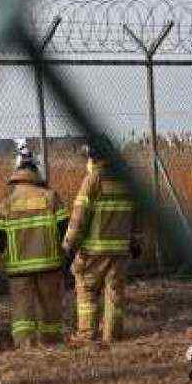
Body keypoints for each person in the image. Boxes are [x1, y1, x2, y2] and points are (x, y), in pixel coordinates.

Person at [0, 141, 71, 348]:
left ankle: (25, 349)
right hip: (49, 266)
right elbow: (66, 230)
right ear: (36, 174)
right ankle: (52, 346)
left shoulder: (5, 205)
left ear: (16, 176)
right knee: (51, 310)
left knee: (22, 315)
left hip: (18, 271)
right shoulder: (51, 199)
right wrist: (69, 258)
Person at [63, 141, 139, 345]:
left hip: (94, 250)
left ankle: (87, 335)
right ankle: (112, 336)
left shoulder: (93, 180)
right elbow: (137, 215)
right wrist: (135, 241)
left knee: (86, 290)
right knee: (114, 293)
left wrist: (69, 246)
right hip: (120, 250)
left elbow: (79, 217)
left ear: (94, 158)